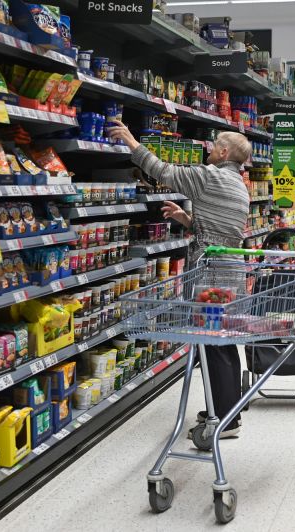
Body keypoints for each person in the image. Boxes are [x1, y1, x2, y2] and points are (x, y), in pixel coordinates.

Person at [107, 122, 251, 438]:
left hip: (212, 273)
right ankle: (228, 410)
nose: (209, 150)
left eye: (214, 146)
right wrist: (186, 219)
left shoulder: (209, 176)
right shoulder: (238, 184)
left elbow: (163, 171)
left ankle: (223, 419)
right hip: (231, 269)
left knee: (212, 344)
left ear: (224, 152)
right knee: (222, 341)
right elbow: (220, 228)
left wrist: (132, 141)